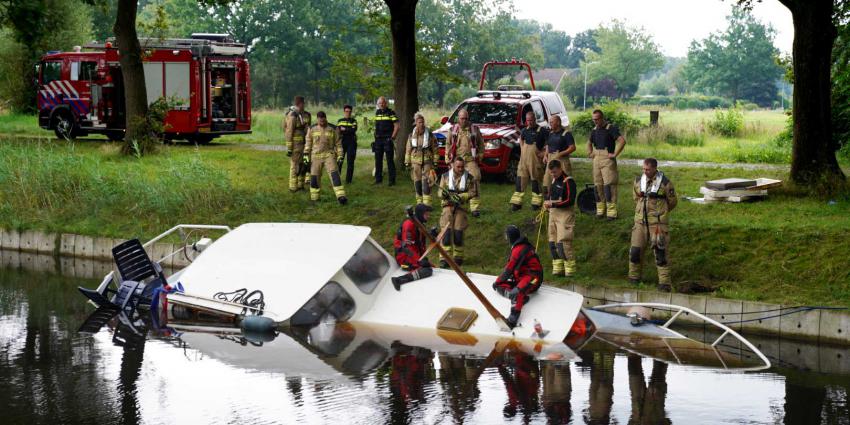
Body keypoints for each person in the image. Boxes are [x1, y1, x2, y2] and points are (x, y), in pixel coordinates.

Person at [629, 157, 677, 292]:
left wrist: (661, 213)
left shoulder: (665, 183)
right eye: (643, 169)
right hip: (640, 223)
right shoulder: (638, 181)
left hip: (657, 224)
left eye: (648, 169)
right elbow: (636, 198)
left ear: (655, 168)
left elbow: (672, 202)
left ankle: (664, 283)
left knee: (660, 253)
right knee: (635, 252)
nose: (645, 171)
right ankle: (633, 278)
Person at [492, 225, 544, 329]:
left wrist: (496, 281)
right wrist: (498, 283)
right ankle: (519, 297)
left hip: (534, 279)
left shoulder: (518, 249)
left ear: (510, 237)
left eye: (506, 236)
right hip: (523, 276)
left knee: (517, 292)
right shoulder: (519, 246)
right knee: (500, 286)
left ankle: (513, 318)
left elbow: (508, 270)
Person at [438, 157, 479, 267]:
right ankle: (444, 258)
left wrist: (461, 196)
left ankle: (458, 257)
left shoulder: (469, 178)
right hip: (447, 208)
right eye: (458, 167)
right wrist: (444, 194)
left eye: (462, 166)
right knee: (446, 235)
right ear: (453, 166)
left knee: (458, 234)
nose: (460, 169)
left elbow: (473, 192)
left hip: (461, 209)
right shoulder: (445, 176)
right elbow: (439, 192)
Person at [587, 109, 626, 220]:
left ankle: (611, 212)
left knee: (609, 185)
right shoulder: (594, 130)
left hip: (607, 158)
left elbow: (622, 141)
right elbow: (589, 143)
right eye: (593, 119)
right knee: (597, 185)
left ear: (602, 118)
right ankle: (600, 209)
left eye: (597, 119)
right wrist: (590, 153)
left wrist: (615, 154)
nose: (595, 121)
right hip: (596, 158)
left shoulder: (611, 128)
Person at [544, 159, 578, 277]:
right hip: (553, 214)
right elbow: (550, 195)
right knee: (552, 241)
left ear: (560, 168)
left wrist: (553, 204)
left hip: (565, 214)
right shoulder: (553, 180)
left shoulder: (568, 181)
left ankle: (570, 270)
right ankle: (558, 269)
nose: (553, 174)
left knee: (563, 242)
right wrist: (546, 201)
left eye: (554, 172)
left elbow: (570, 200)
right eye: (551, 172)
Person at [305, 111, 347, 204]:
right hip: (316, 156)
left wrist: (340, 155)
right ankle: (315, 198)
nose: (322, 123)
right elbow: (308, 142)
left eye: (323, 121)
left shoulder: (333, 128)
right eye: (320, 121)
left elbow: (338, 143)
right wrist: (305, 154)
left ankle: (341, 196)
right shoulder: (312, 128)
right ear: (317, 119)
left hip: (329, 155)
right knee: (314, 177)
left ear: (326, 118)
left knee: (335, 175)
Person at [447, 109, 483, 216]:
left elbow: (481, 145)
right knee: (453, 182)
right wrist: (448, 160)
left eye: (466, 118)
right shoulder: (453, 130)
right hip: (457, 160)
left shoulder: (474, 129)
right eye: (462, 118)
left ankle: (474, 208)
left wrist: (479, 156)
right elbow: (448, 145)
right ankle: (454, 206)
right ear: (458, 118)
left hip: (470, 160)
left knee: (475, 178)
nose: (464, 120)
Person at [509, 111, 548, 211]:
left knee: (536, 180)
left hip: (535, 161)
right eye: (527, 121)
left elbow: (549, 144)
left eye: (531, 120)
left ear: (535, 119)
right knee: (520, 180)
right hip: (523, 160)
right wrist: (522, 149)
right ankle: (516, 204)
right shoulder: (524, 131)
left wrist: (544, 154)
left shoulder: (542, 131)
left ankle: (536, 203)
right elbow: (521, 139)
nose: (529, 122)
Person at [391, 204, 434, 291]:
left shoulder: (420, 224)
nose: (428, 216)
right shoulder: (409, 225)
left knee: (431, 266)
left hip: (413, 255)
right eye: (426, 214)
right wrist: (419, 260)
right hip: (403, 257)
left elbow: (420, 244)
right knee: (427, 270)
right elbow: (407, 248)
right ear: (420, 214)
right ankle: (399, 280)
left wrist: (423, 257)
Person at [404, 112, 438, 206]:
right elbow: (408, 149)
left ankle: (427, 204)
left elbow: (435, 149)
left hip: (427, 162)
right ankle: (419, 203)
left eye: (423, 122)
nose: (422, 124)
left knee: (426, 182)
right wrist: (407, 162)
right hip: (415, 163)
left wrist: (435, 162)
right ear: (416, 123)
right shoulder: (411, 136)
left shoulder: (430, 135)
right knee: (417, 182)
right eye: (419, 122)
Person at [284, 96, 311, 192]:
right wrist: (289, 147)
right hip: (296, 145)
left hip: (305, 143)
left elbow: (309, 129)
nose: (304, 105)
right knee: (295, 165)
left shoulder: (307, 115)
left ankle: (301, 185)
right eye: (302, 103)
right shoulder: (292, 115)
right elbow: (289, 131)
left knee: (304, 164)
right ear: (299, 104)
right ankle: (293, 187)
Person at [373, 96, 399, 185]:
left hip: (388, 139)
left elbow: (397, 126)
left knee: (389, 161)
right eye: (380, 103)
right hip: (378, 140)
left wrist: (392, 137)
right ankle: (378, 180)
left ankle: (392, 181)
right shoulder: (377, 112)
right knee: (378, 160)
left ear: (386, 103)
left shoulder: (391, 113)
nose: (381, 104)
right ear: (378, 104)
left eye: (383, 103)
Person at [337, 104, 358, 184]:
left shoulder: (354, 121)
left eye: (349, 111)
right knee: (339, 161)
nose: (348, 113)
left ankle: (348, 181)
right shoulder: (340, 121)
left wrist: (344, 129)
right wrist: (348, 129)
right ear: (344, 112)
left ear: (351, 112)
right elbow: (338, 131)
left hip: (351, 143)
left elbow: (353, 130)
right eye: (346, 111)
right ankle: (337, 180)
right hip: (342, 142)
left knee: (350, 162)